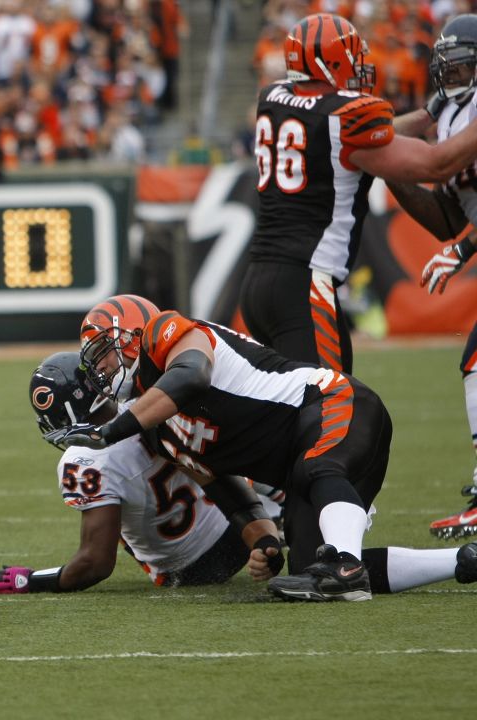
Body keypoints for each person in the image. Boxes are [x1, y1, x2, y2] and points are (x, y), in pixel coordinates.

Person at [0, 351, 477, 598]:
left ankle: (324, 506)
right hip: (237, 526)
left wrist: (36, 580)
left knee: (263, 468)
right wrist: (259, 531)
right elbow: (212, 474)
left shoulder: (83, 459)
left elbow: (95, 563)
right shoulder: (149, 412)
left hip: (191, 569)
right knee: (307, 551)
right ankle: (460, 559)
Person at [59, 294, 393, 602]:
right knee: (310, 566)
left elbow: (191, 376)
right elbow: (224, 489)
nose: (100, 367)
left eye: (103, 350)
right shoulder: (157, 432)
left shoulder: (164, 331)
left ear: (132, 334)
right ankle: (441, 563)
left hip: (332, 401)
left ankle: (347, 566)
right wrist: (263, 542)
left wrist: (111, 431)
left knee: (318, 469)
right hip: (301, 458)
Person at [240, 13, 477, 375]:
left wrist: (428, 113)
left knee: (289, 414)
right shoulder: (345, 116)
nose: (361, 68)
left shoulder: (273, 98)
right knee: (332, 409)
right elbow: (436, 164)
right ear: (330, 62)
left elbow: (343, 133)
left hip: (259, 283)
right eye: (353, 58)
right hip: (305, 282)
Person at [382, 14, 477, 540]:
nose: (451, 75)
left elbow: (439, 170)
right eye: (448, 67)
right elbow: (447, 215)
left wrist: (461, 251)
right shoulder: (451, 111)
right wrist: (386, 167)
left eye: (462, 66)